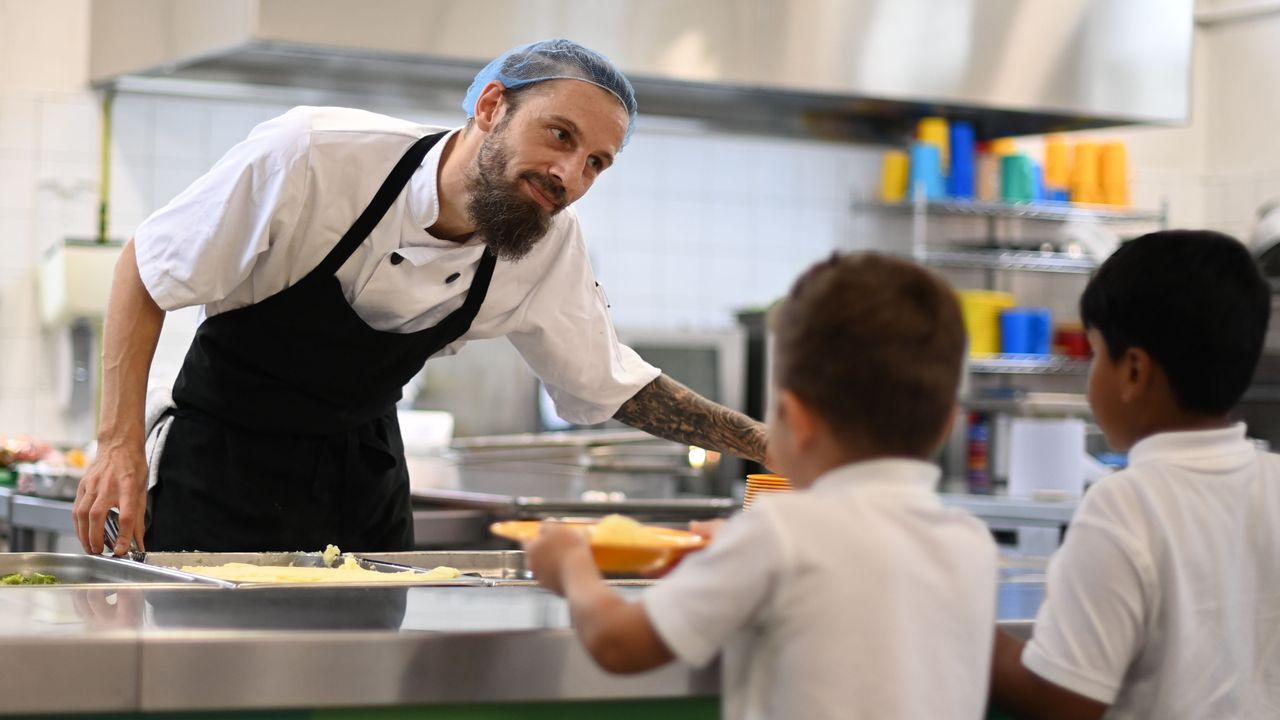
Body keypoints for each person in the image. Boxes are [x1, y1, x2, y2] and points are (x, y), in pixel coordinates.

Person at [73, 38, 768, 555]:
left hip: (362, 481)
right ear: (492, 107)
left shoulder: (549, 241)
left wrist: (768, 446)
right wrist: (117, 444)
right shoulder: (313, 155)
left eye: (595, 163)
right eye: (560, 135)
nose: (569, 175)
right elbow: (146, 265)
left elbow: (611, 384)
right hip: (222, 466)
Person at [525, 253, 998, 720]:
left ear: (793, 420)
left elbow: (619, 643)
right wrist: (731, 554)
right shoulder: (969, 542)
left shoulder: (782, 533)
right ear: (949, 426)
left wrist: (571, 567)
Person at [988, 230, 1280, 719]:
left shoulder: (1126, 504)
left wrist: (968, 623)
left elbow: (1062, 699)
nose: (1092, 373)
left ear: (1134, 373)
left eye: (1097, 354)